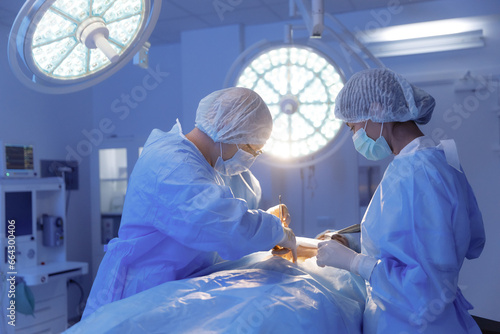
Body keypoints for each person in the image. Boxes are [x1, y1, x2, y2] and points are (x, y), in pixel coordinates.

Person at [83, 87, 297, 318]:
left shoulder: (198, 163)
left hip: (165, 292)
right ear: (228, 129)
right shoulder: (172, 163)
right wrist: (278, 231)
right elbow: (224, 226)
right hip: (140, 295)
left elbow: (218, 215)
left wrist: (266, 218)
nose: (251, 158)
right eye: (250, 149)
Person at [316, 68, 485, 333]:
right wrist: (354, 242)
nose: (355, 136)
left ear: (377, 109)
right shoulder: (432, 161)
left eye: (353, 126)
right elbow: (456, 241)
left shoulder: (418, 173)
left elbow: (427, 288)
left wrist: (354, 262)